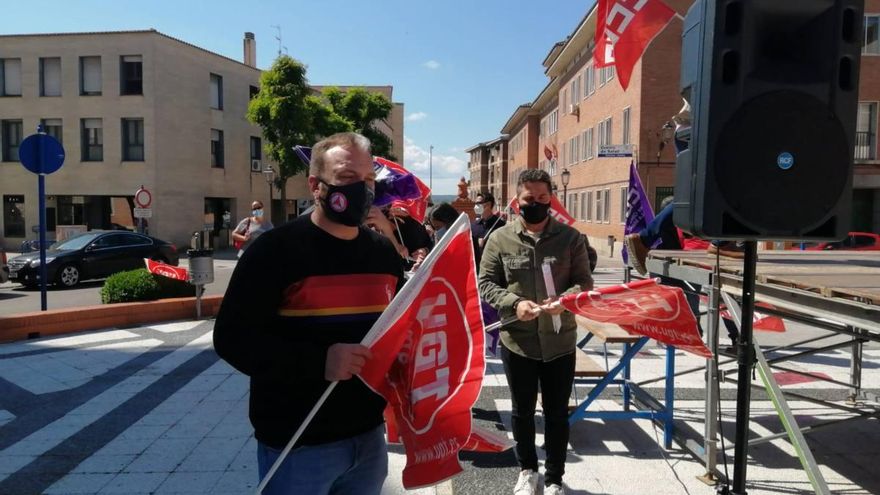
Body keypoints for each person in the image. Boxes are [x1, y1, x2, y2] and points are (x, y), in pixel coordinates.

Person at [213, 132, 404, 495]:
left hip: (368, 438)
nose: (361, 190)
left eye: (368, 180)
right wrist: (319, 362)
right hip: (296, 442)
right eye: (347, 178)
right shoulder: (274, 251)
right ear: (315, 184)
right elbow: (231, 339)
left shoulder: (383, 254)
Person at [478, 169, 592, 495]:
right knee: (522, 411)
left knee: (557, 413)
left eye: (543, 198)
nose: (537, 204)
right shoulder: (499, 239)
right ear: (517, 201)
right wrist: (514, 303)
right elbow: (485, 283)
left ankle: (555, 477)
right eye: (530, 199)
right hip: (519, 341)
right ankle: (528, 469)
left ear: (551, 198)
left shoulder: (571, 238)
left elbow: (585, 282)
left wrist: (566, 300)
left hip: (559, 341)